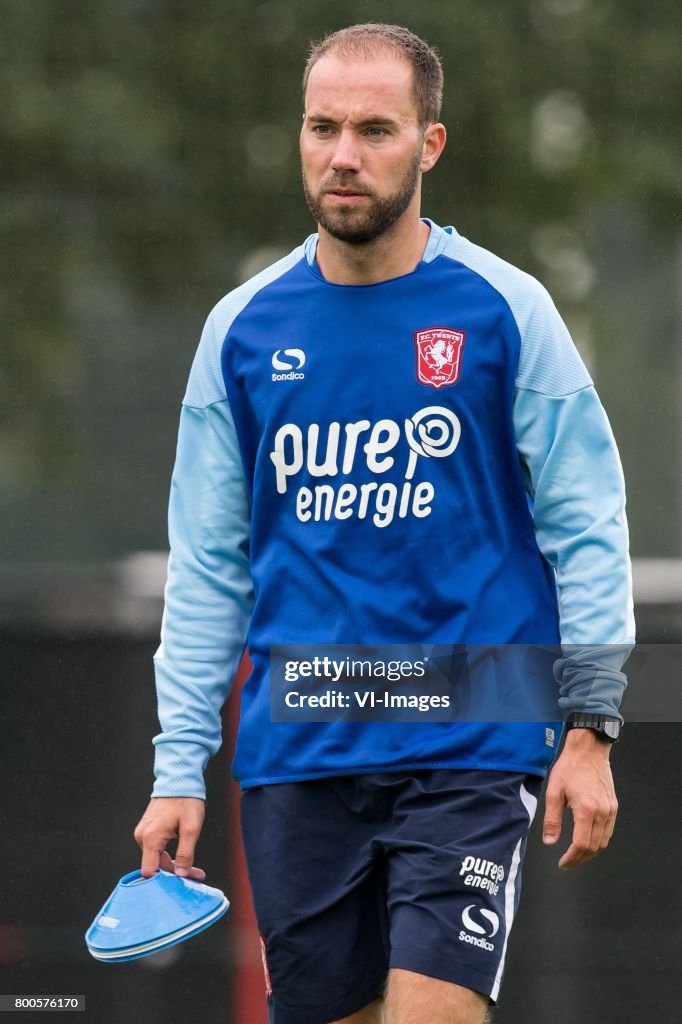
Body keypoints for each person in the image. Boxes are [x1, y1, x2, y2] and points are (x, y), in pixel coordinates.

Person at [134, 23, 634, 1024]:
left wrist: (589, 725)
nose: (344, 155)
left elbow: (588, 523)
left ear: (428, 144)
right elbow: (208, 569)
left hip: (470, 739)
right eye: (323, 128)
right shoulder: (241, 329)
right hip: (300, 749)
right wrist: (176, 767)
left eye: (374, 129)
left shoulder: (505, 309)